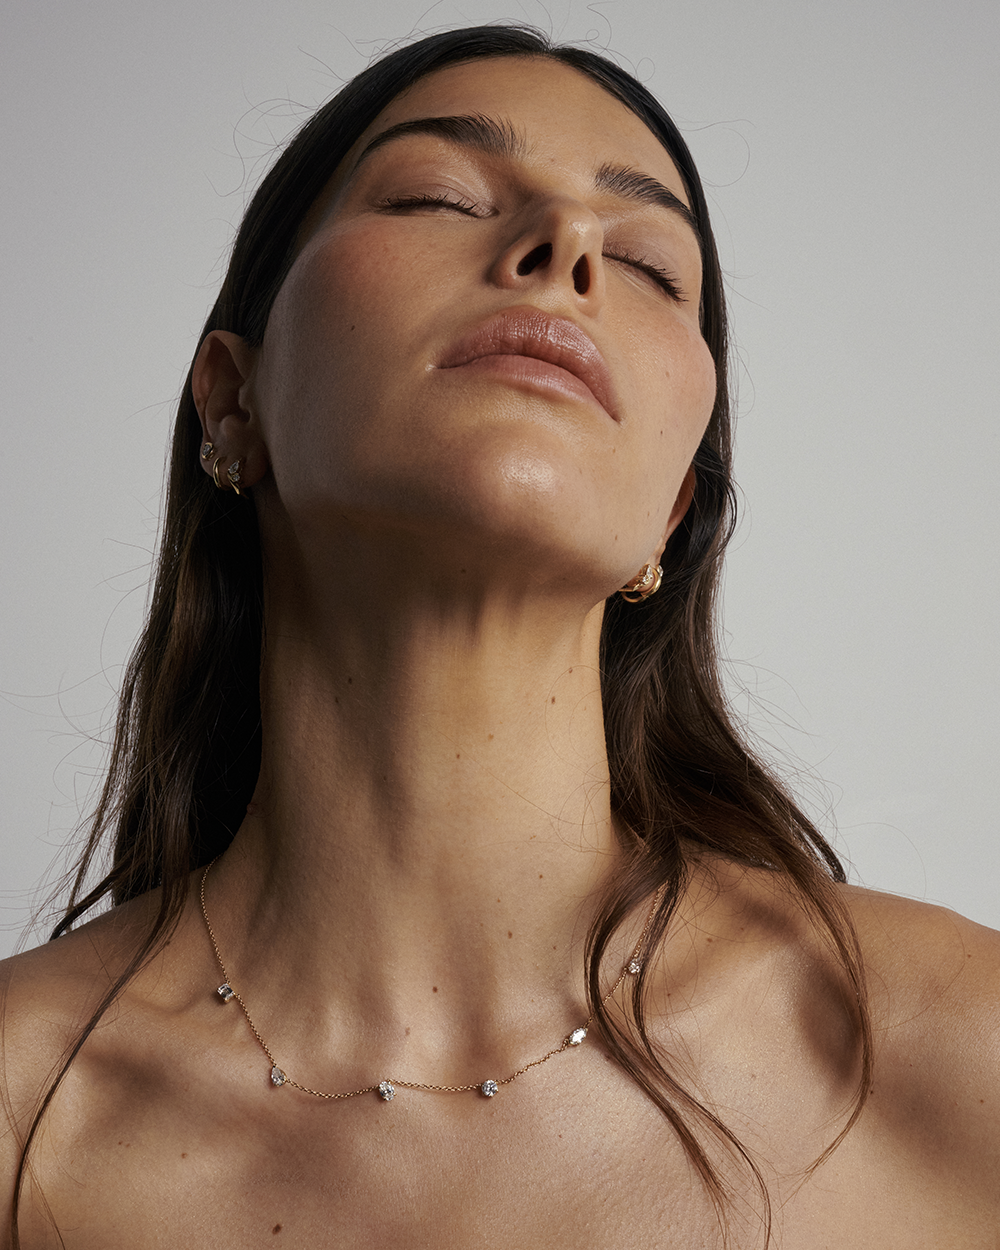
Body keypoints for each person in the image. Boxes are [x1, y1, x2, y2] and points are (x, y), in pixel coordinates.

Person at [2, 24, 998, 1249]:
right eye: (436, 195)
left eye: (648, 264)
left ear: (671, 511)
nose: (566, 243)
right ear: (232, 401)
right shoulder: (21, 1119)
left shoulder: (958, 1056)